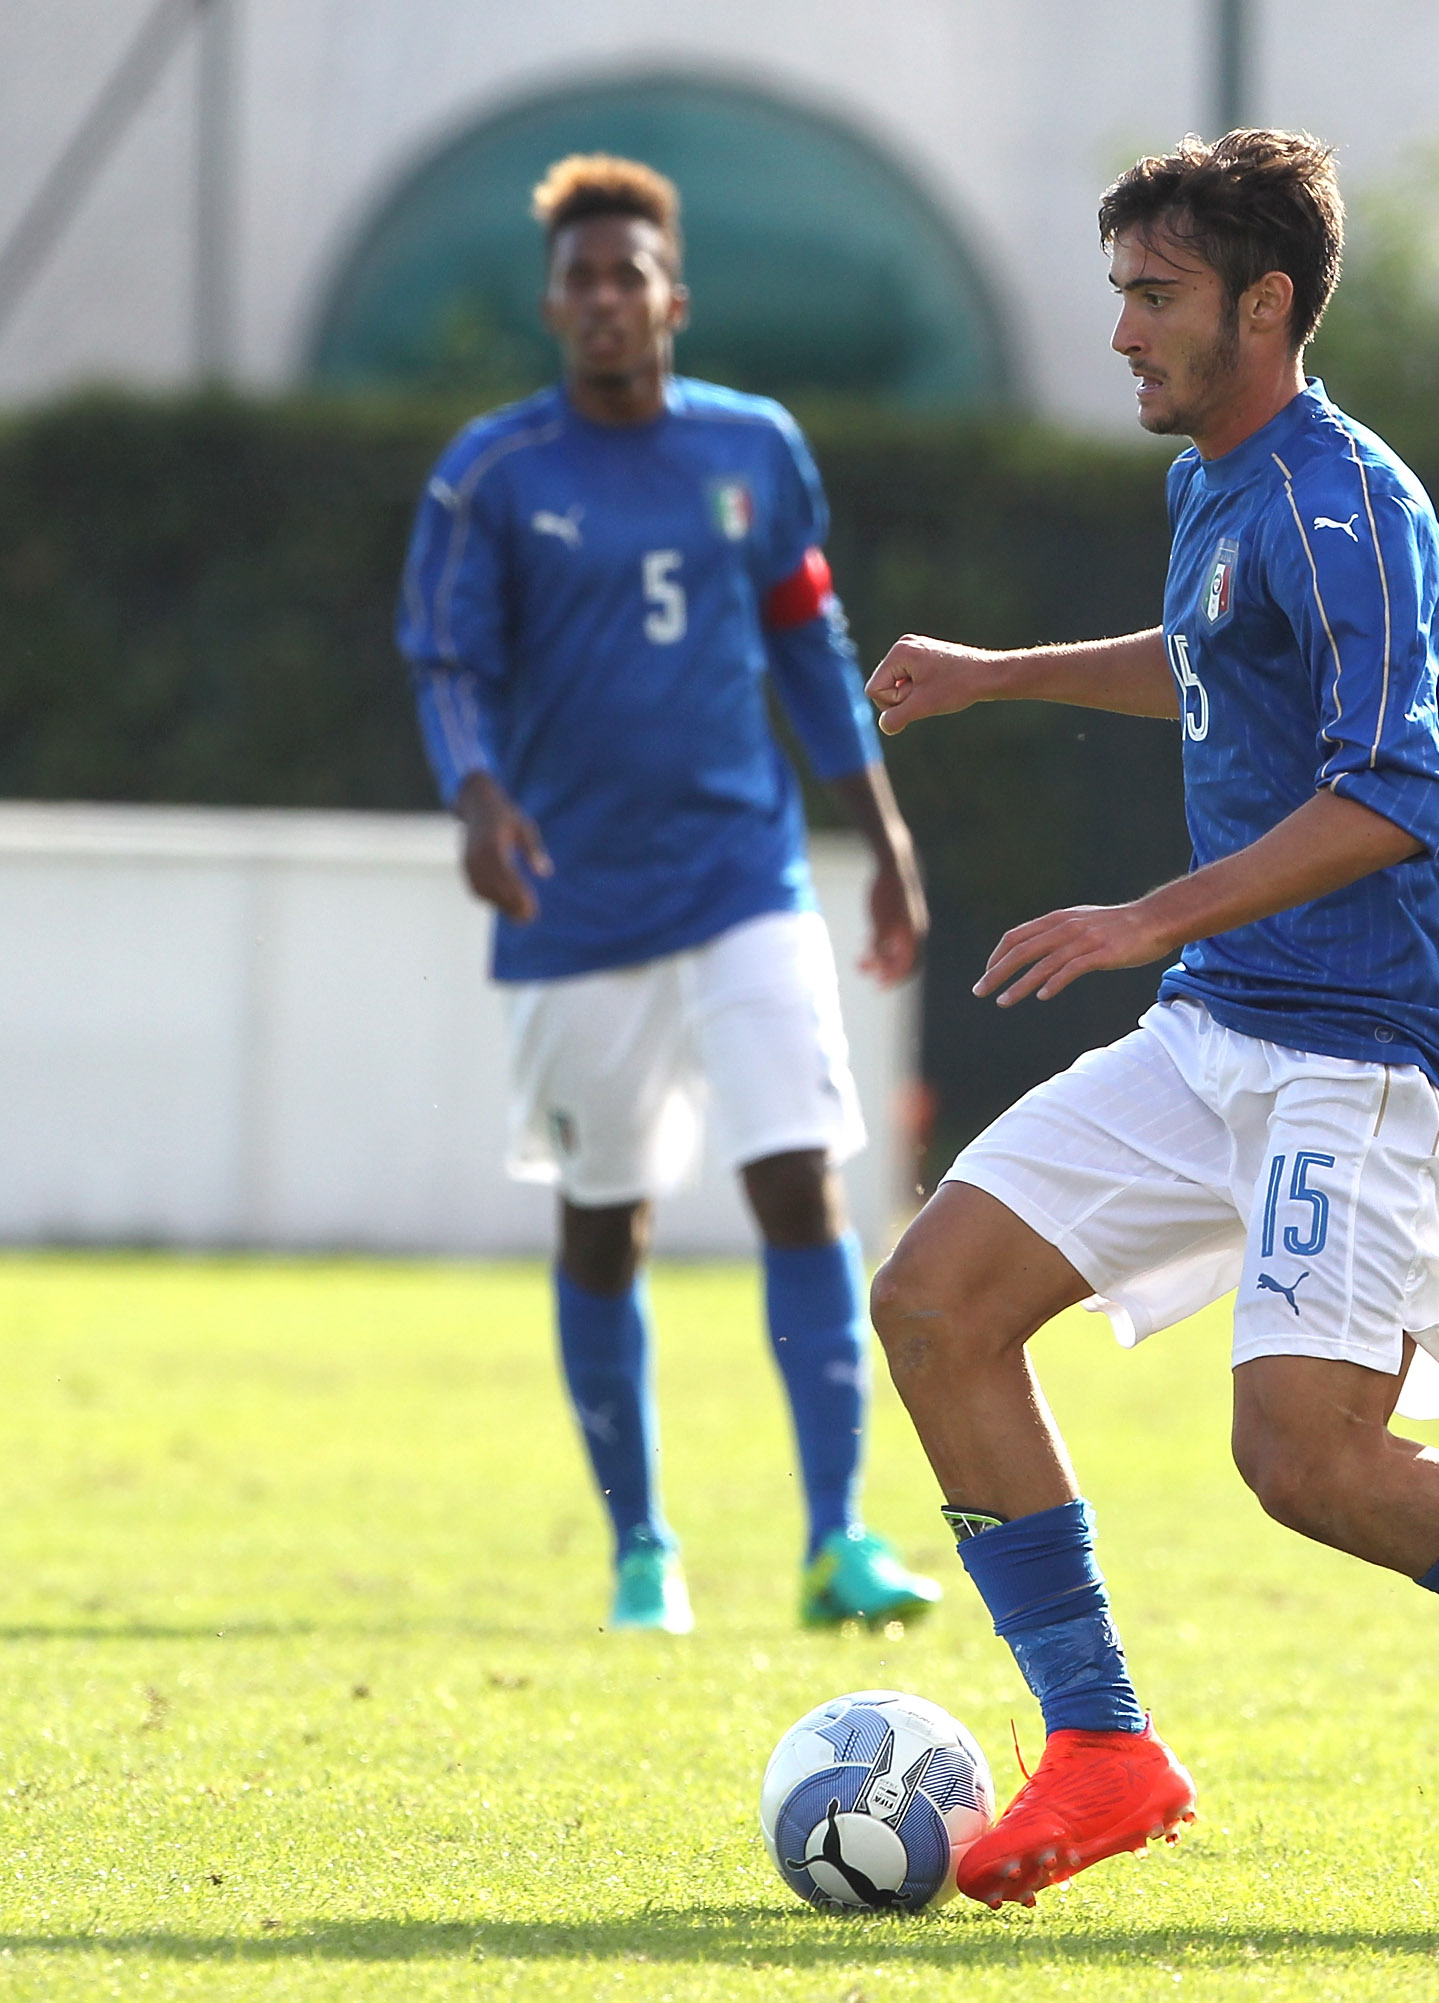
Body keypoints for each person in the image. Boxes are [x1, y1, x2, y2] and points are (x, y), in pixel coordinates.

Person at [858, 129, 1439, 1926]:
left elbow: (1393, 792)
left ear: (1267, 304)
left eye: (1156, 297)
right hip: (1225, 1022)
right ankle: (1102, 1746)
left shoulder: (1349, 501)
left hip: (1365, 1051)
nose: (1124, 332)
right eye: (1120, 293)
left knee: (1309, 1463)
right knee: (933, 1304)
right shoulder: (1217, 486)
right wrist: (1006, 677)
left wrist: (1143, 917)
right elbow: (1212, 656)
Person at [395, 154, 941, 1637]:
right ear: (551, 306)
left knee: (798, 1178)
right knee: (603, 1220)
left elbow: (808, 647)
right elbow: (447, 664)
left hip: (743, 877)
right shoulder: (493, 475)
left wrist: (883, 839)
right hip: (570, 904)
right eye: (578, 278)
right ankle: (642, 1548)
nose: (603, 299)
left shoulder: (753, 450)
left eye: (626, 275)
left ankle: (836, 1539)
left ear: (672, 299)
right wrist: (478, 798)